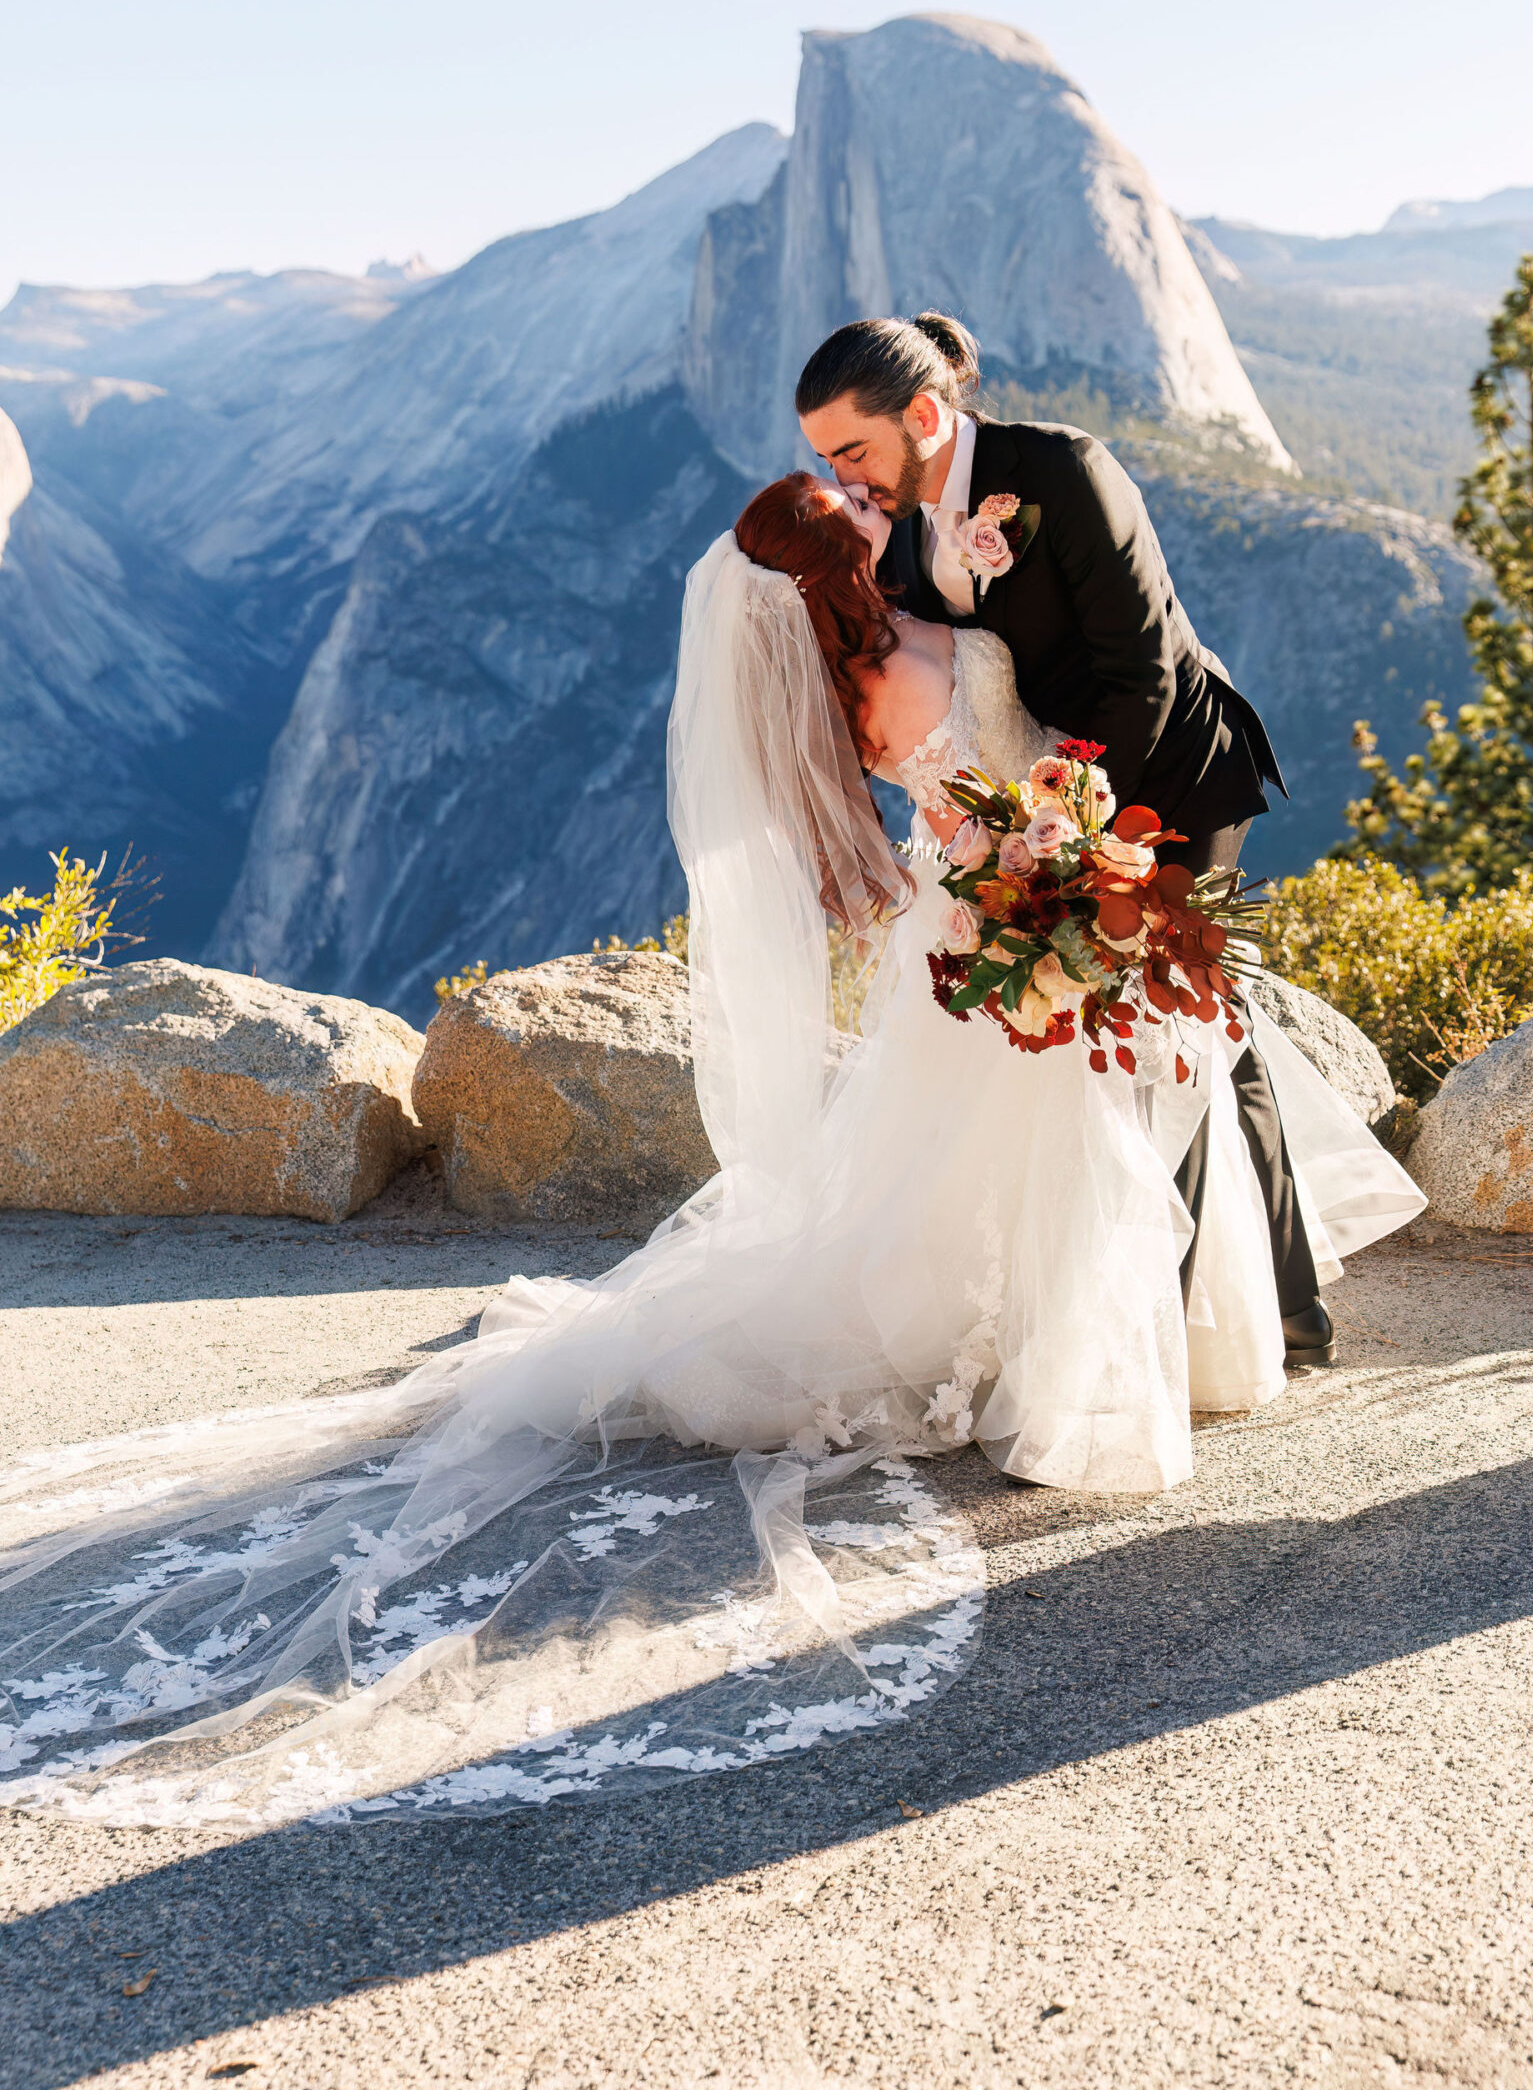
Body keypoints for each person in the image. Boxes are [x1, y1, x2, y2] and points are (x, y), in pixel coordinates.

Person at [0, 397, 1421, 1833]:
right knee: (1045, 1153)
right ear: (832, 563)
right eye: (854, 510)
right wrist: (1042, 859)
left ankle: (1088, 1339)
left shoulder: (876, 653)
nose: (875, 507)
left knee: (1021, 1160)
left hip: (997, 912)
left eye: (856, 486)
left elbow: (973, 773)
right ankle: (1081, 1359)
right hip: (1011, 912)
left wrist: (1036, 845)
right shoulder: (896, 672)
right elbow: (970, 792)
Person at [796, 311, 1335, 1367]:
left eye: (852, 451)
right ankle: (1283, 1312)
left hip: (1171, 774)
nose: (846, 478)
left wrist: (1091, 838)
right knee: (1212, 1041)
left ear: (923, 412)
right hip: (1046, 806)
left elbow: (1149, 677)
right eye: (825, 461)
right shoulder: (901, 527)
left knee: (1168, 1032)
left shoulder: (1068, 472)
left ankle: (1159, 1344)